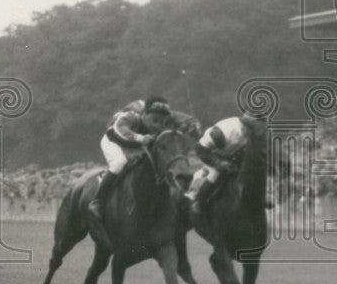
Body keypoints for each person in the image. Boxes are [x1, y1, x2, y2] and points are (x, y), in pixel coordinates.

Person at [88, 96, 176, 247]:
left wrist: (191, 124)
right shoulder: (131, 116)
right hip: (113, 140)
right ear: (144, 115)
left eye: (162, 122)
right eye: (155, 120)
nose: (158, 125)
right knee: (119, 163)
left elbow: (180, 120)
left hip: (134, 144)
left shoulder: (159, 117)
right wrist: (141, 138)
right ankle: (97, 202)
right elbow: (120, 129)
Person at [186, 115, 262, 212]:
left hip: (231, 155)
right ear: (243, 126)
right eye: (250, 130)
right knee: (216, 173)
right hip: (210, 154)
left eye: (253, 130)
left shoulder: (250, 132)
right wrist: (218, 163)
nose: (251, 133)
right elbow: (200, 149)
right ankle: (199, 200)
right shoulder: (220, 133)